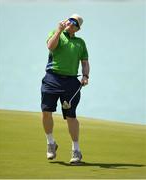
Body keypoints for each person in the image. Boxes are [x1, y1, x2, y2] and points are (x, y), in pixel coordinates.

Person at [41, 14, 90, 164]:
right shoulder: (55, 33)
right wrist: (58, 30)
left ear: (77, 28)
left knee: (71, 116)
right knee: (46, 112)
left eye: (75, 23)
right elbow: (50, 46)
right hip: (52, 78)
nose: (71, 23)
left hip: (70, 83)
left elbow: (85, 62)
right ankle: (51, 143)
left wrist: (86, 75)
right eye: (70, 20)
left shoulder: (80, 43)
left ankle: (76, 151)